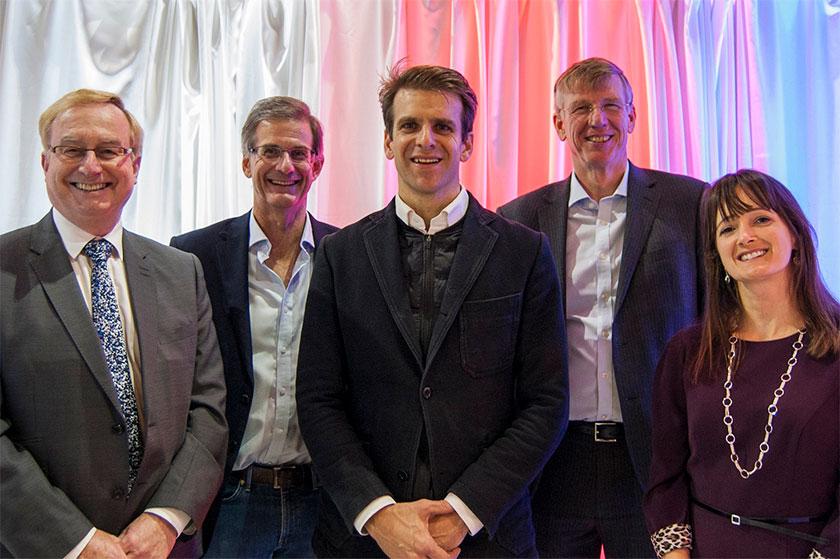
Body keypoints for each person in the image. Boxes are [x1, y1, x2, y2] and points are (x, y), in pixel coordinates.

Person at [296, 64, 569, 558]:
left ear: (466, 144)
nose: (426, 140)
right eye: (409, 125)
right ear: (387, 140)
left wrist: (462, 513)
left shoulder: (524, 253)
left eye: (443, 126)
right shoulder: (340, 255)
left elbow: (546, 402)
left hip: (488, 538)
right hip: (365, 541)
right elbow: (318, 399)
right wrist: (378, 514)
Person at [0, 88, 227, 558]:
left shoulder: (181, 271)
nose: (91, 166)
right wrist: (75, 541)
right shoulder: (4, 268)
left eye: (108, 151)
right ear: (45, 163)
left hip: (162, 548)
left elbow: (208, 411)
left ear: (135, 165)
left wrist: (167, 519)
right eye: (72, 150)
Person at [498, 57, 706, 558]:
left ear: (632, 116)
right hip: (554, 461)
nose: (598, 120)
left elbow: (715, 318)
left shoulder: (690, 203)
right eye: (581, 109)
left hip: (656, 455)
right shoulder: (517, 220)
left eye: (611, 106)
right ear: (558, 123)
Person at [171, 96, 338, 557]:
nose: (285, 165)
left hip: (321, 504)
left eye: (299, 153)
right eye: (269, 151)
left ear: (317, 163)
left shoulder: (347, 255)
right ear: (247, 162)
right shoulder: (194, 256)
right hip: (230, 501)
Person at [644, 169, 839, 558]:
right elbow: (665, 479)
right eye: (728, 228)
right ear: (716, 253)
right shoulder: (687, 352)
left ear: (795, 236)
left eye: (761, 219)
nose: (745, 236)